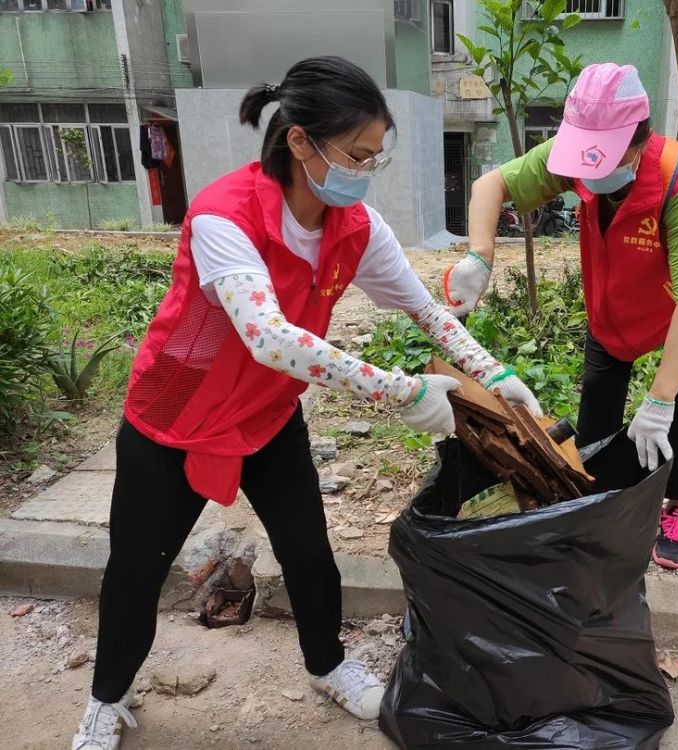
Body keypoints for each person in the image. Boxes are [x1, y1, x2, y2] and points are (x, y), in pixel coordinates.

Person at [72, 56, 540, 750]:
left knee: (309, 552)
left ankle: (330, 667)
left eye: (374, 158)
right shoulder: (223, 216)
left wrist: (493, 374)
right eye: (356, 154)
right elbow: (268, 336)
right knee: (137, 570)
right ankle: (106, 699)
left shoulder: (354, 225)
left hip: (266, 414)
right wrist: (400, 391)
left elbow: (422, 308)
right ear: (300, 141)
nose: (363, 171)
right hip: (175, 419)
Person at [444, 63, 678, 572]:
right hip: (617, 296)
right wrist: (479, 256)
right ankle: (591, 497)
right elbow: (491, 186)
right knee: (599, 395)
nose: (593, 170)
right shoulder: (573, 155)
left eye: (611, 154)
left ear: (640, 141)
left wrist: (658, 400)